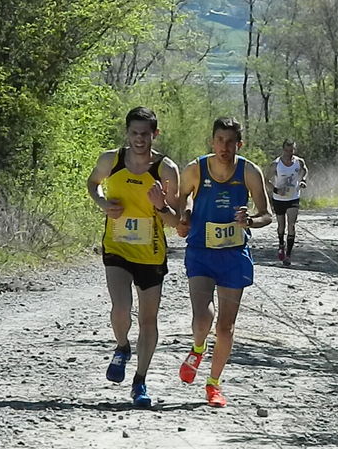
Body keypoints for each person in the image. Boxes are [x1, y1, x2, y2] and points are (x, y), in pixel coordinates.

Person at [87, 106, 180, 407]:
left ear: (155, 134)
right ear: (127, 133)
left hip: (151, 253)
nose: (140, 139)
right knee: (121, 308)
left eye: (145, 134)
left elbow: (177, 222)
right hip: (117, 247)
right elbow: (92, 184)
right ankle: (122, 346)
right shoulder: (110, 160)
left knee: (149, 319)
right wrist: (102, 202)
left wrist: (162, 206)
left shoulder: (166, 170)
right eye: (134, 133)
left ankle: (140, 381)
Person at [176, 117, 272, 407]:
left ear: (239, 144)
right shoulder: (196, 168)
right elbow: (182, 199)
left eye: (230, 141)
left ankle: (213, 385)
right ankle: (197, 349)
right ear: (212, 141)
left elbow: (267, 214)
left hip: (233, 255)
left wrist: (250, 222)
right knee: (203, 317)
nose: (224, 147)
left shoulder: (249, 171)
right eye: (219, 140)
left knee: (226, 327)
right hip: (201, 253)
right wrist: (186, 214)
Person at [266, 139, 308, 266]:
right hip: (279, 199)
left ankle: (288, 255)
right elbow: (266, 180)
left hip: (293, 197)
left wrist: (303, 180)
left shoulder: (299, 162)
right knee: (281, 226)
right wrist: (275, 190)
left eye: (292, 150)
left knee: (292, 225)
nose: (289, 153)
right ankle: (280, 244)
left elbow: (305, 170)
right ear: (283, 149)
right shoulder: (276, 164)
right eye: (287, 150)